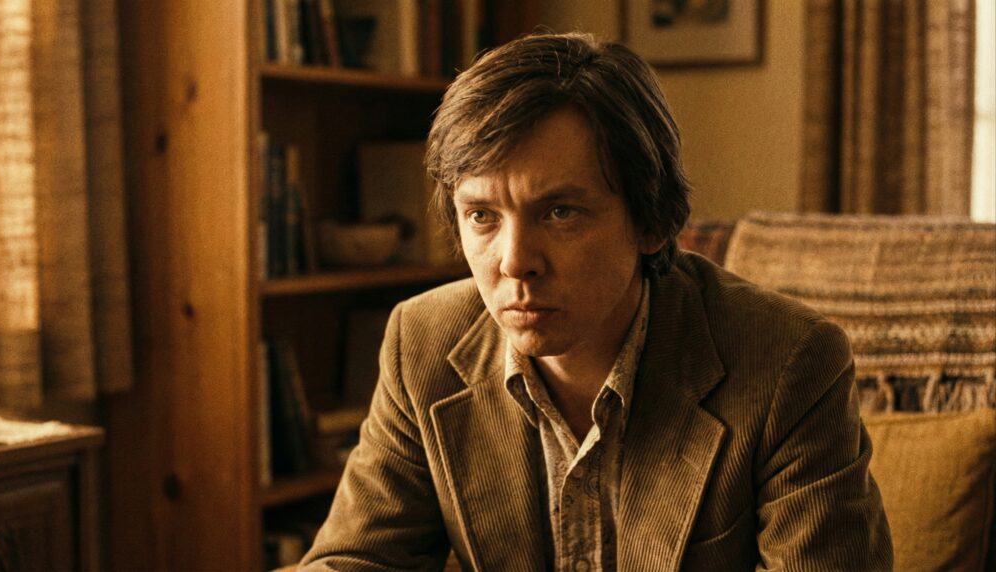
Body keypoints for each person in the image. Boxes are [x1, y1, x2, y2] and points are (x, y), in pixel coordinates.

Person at [301, 32, 891, 571]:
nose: (514, 261)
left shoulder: (789, 361)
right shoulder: (421, 341)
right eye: (482, 216)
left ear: (651, 222)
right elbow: (355, 560)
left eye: (560, 213)